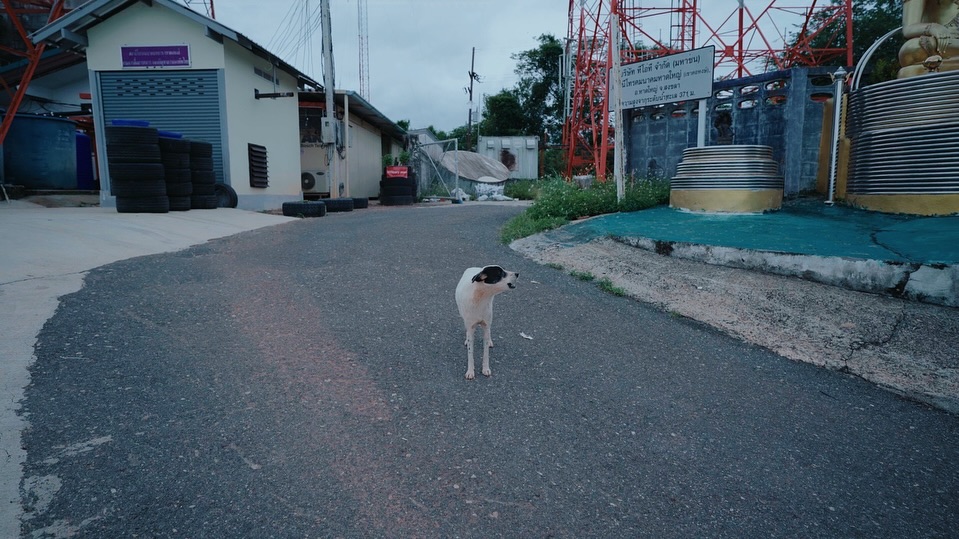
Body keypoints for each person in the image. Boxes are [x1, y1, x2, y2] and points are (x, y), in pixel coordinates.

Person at [899, 0, 959, 77]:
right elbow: (909, 28)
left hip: (945, 46)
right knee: (911, 48)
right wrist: (932, 27)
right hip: (940, 44)